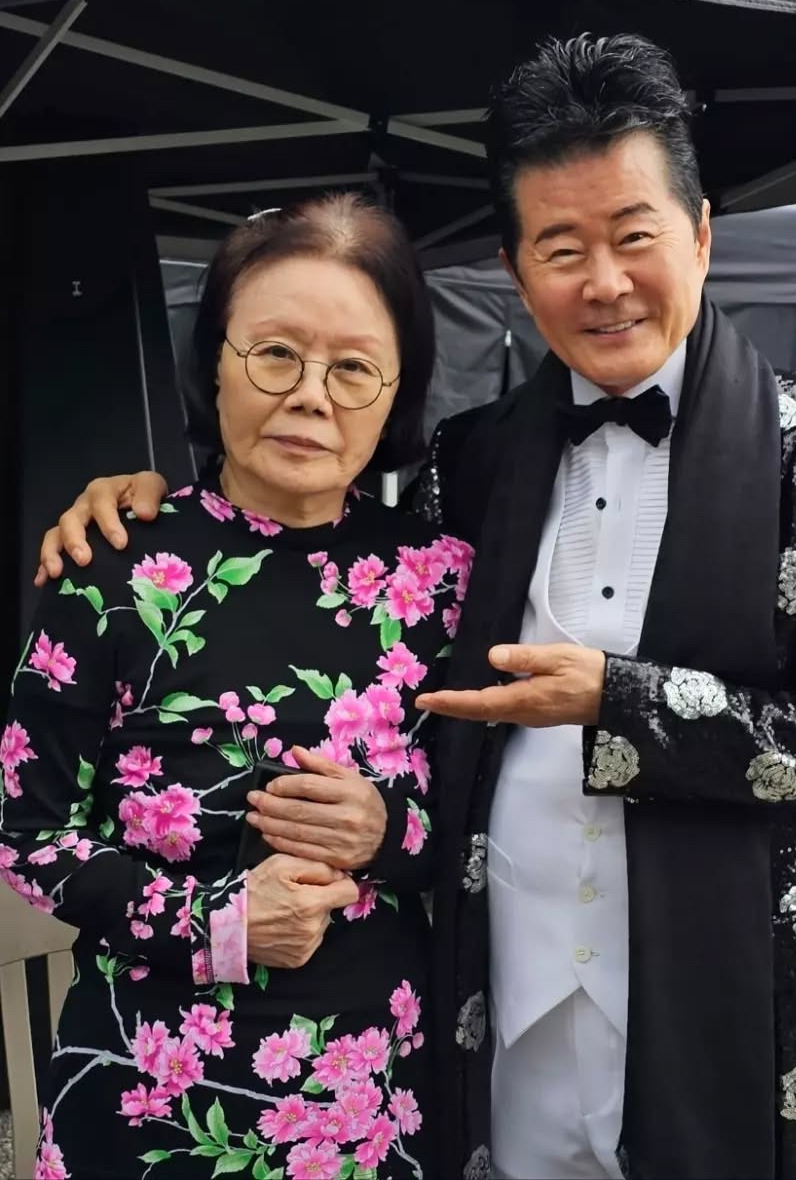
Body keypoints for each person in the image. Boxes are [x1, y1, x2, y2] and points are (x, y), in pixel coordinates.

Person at [36, 34, 796, 1180]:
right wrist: (146, 504)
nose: (604, 281)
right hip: (497, 1003)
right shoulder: (472, 461)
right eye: (561, 247)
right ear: (514, 267)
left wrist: (620, 701)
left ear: (701, 234)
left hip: (724, 1003)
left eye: (634, 236)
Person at [7, 194, 472, 1179]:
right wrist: (217, 925)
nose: (310, 395)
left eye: (353, 367)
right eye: (274, 353)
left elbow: (497, 831)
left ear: (397, 392)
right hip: (142, 1092)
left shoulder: (445, 584)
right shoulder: (111, 567)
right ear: (213, 360)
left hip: (372, 1102)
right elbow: (27, 831)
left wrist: (390, 830)